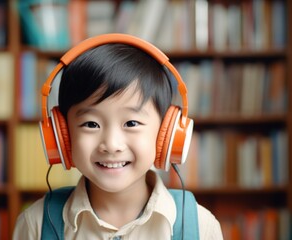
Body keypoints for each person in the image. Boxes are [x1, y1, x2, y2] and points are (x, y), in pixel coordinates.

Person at [13, 34, 223, 239]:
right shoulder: (36, 224)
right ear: (62, 135)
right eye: (91, 124)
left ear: (165, 133)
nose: (111, 145)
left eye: (131, 123)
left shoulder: (201, 226)